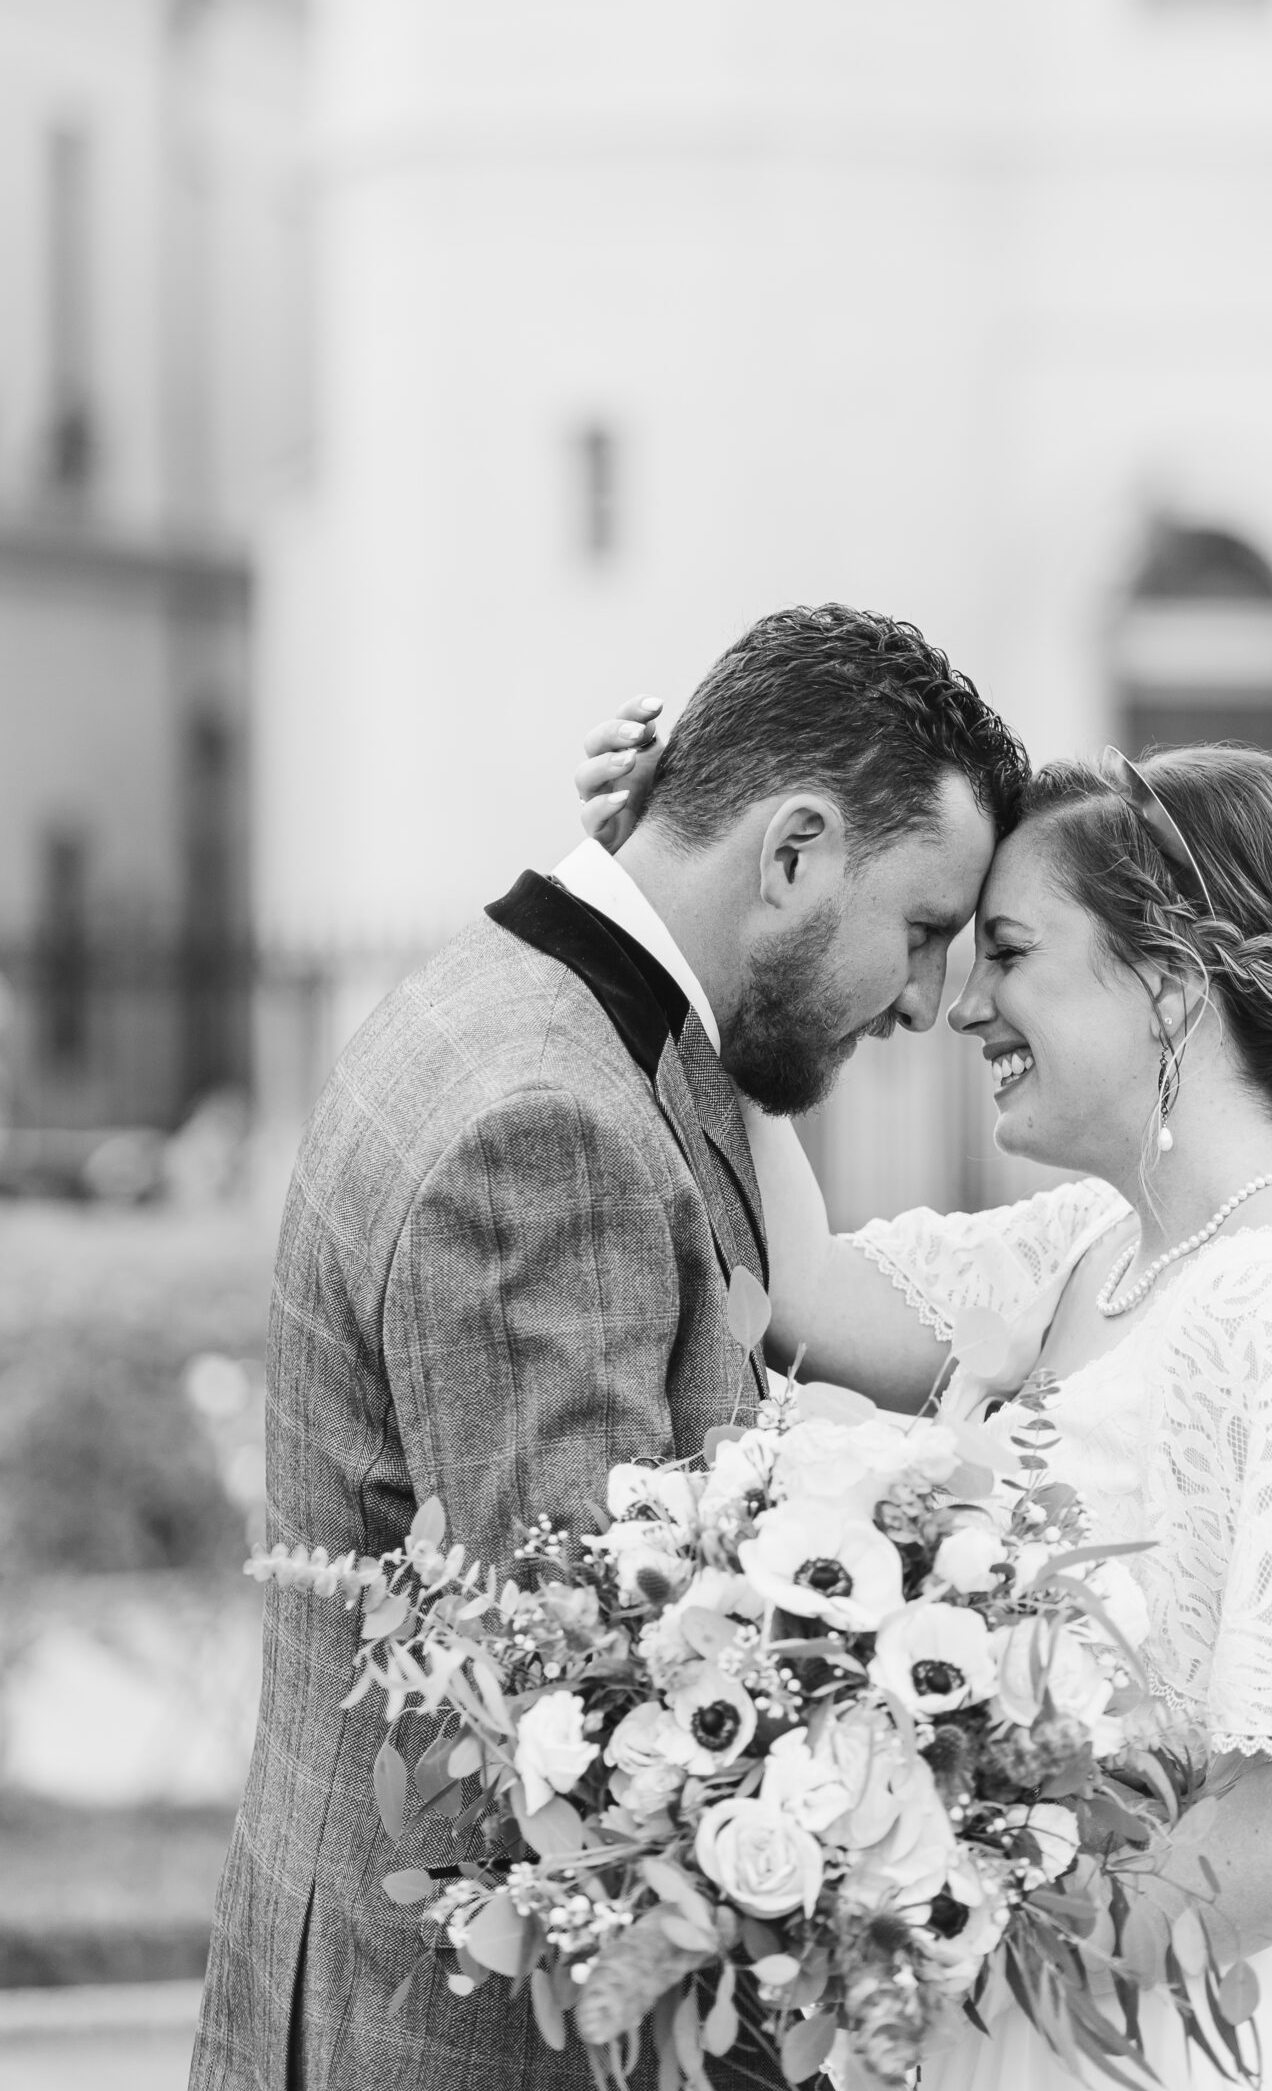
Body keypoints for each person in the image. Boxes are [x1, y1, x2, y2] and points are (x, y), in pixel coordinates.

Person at [577, 711, 1272, 2091]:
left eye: (1007, 954)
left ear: (1171, 984)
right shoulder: (1089, 1247)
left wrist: (974, 1946)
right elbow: (804, 1286)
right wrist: (690, 931)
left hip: (1186, 2033)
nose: (959, 1006)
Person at [192, 605, 1026, 2091]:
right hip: (471, 2042)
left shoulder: (530, 1007)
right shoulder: (548, 1127)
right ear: (792, 855)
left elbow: (751, 1299)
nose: (925, 1000)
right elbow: (588, 1708)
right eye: (924, 929)